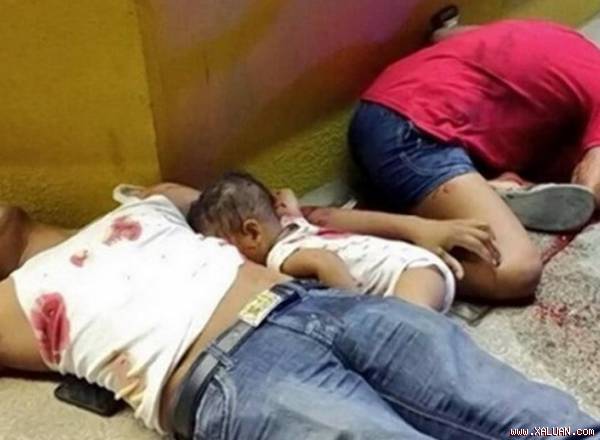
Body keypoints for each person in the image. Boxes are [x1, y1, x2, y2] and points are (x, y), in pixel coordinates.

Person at [0, 183, 597, 439]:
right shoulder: (11, 301)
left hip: (322, 303)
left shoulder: (146, 202)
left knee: (530, 416)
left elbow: (275, 210)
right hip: (234, 372)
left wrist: (412, 226)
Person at [346, 19, 600, 303]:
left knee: (560, 148)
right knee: (514, 271)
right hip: (413, 133)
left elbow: (443, 35)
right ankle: (357, 243)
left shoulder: (570, 42)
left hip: (390, 108)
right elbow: (587, 193)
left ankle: (499, 189)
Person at [188, 172, 500, 312]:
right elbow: (286, 195)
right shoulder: (294, 224)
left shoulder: (280, 257)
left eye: (224, 247)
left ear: (253, 233)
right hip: (408, 262)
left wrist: (355, 312)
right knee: (413, 326)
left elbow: (325, 261)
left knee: (403, 331)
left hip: (400, 275)